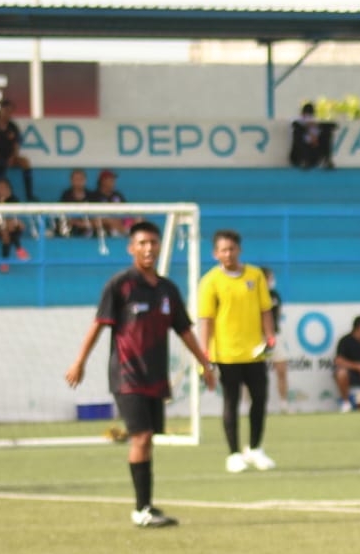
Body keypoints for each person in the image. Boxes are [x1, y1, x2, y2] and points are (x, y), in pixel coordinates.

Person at [65, 220, 217, 527]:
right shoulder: (121, 285)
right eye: (142, 244)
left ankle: (146, 505)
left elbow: (184, 330)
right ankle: (141, 510)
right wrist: (79, 361)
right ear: (131, 248)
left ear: (160, 246)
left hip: (155, 376)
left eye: (153, 243)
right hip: (126, 374)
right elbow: (99, 325)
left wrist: (204, 362)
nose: (148, 249)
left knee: (149, 439)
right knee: (142, 436)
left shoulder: (167, 290)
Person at [198, 229, 277, 472]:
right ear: (215, 253)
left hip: (254, 352)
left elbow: (265, 309)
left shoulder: (255, 276)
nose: (228, 253)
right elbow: (206, 319)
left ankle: (255, 448)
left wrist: (270, 337)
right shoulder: (210, 281)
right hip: (226, 353)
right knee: (230, 402)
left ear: (239, 250)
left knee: (260, 399)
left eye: (232, 249)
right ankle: (233, 453)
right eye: (223, 250)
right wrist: (204, 355)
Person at [0, 98, 36, 201]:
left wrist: (13, 156)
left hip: (9, 156)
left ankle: (29, 194)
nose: (8, 113)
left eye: (10, 111)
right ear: (1, 110)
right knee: (1, 163)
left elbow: (16, 144)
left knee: (25, 162)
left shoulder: (12, 127)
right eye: (6, 110)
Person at [263, 267, 291, 411]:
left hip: (274, 336)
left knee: (281, 369)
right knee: (255, 374)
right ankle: (250, 405)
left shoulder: (275, 295)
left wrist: (272, 334)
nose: (272, 281)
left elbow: (277, 314)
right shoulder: (253, 295)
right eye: (269, 278)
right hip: (257, 338)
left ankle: (284, 403)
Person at [288, 102, 337, 170]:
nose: (308, 117)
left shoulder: (315, 121)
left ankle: (327, 160)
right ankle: (304, 160)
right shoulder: (297, 120)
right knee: (297, 132)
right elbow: (296, 124)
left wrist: (315, 134)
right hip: (300, 154)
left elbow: (333, 125)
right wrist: (308, 127)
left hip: (314, 149)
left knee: (327, 132)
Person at [54, 168, 96, 238]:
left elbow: (97, 219)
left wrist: (83, 223)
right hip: (71, 231)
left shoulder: (91, 196)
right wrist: (76, 222)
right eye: (76, 179)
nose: (79, 182)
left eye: (81, 179)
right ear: (71, 181)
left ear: (85, 180)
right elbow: (63, 217)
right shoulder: (66, 196)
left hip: (89, 230)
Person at [93, 170, 132, 237]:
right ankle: (124, 236)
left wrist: (128, 221)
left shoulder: (118, 195)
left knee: (138, 217)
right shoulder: (95, 196)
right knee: (111, 220)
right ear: (103, 181)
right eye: (110, 179)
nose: (113, 181)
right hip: (104, 222)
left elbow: (127, 211)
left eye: (113, 179)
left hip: (120, 220)